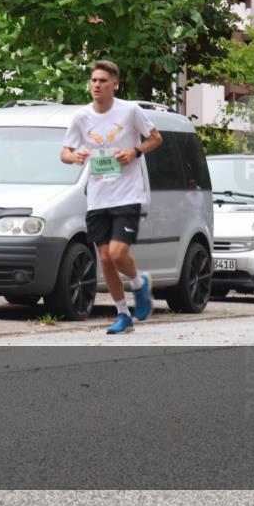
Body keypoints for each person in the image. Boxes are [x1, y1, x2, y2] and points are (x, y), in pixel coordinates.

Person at [61, 60, 163, 334]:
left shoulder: (130, 111)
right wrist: (76, 156)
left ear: (114, 84)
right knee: (104, 259)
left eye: (103, 81)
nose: (97, 85)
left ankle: (139, 284)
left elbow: (156, 138)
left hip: (127, 194)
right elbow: (65, 153)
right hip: (97, 196)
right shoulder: (81, 118)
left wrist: (134, 152)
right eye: (94, 80)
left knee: (118, 253)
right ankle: (122, 314)